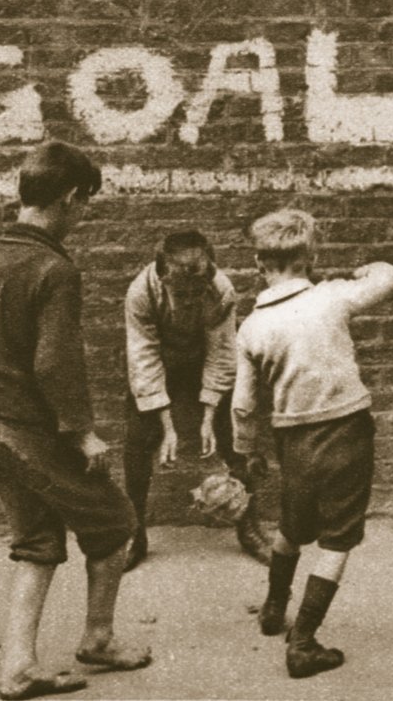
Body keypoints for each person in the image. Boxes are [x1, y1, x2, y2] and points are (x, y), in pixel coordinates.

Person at [0, 141, 151, 700]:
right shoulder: (54, 268)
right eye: (86, 204)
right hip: (34, 436)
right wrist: (82, 433)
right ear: (71, 198)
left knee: (38, 542)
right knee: (117, 521)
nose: (84, 215)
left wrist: (3, 398)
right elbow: (55, 363)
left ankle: (17, 668)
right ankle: (97, 638)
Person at [232, 208, 393, 679]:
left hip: (292, 439)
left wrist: (248, 451)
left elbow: (244, 404)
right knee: (338, 538)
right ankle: (303, 643)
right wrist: (362, 271)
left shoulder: (251, 327)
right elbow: (392, 278)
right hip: (346, 431)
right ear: (311, 256)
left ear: (257, 262)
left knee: (291, 526)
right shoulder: (332, 297)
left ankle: (274, 608)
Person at [122, 230, 270, 571]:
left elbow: (221, 352)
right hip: (159, 360)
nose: (189, 300)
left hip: (202, 357)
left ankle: (248, 526)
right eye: (180, 292)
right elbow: (143, 358)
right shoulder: (140, 292)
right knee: (137, 438)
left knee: (237, 430)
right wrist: (167, 425)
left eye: (197, 291)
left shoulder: (222, 290)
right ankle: (135, 532)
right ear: (163, 278)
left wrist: (209, 417)